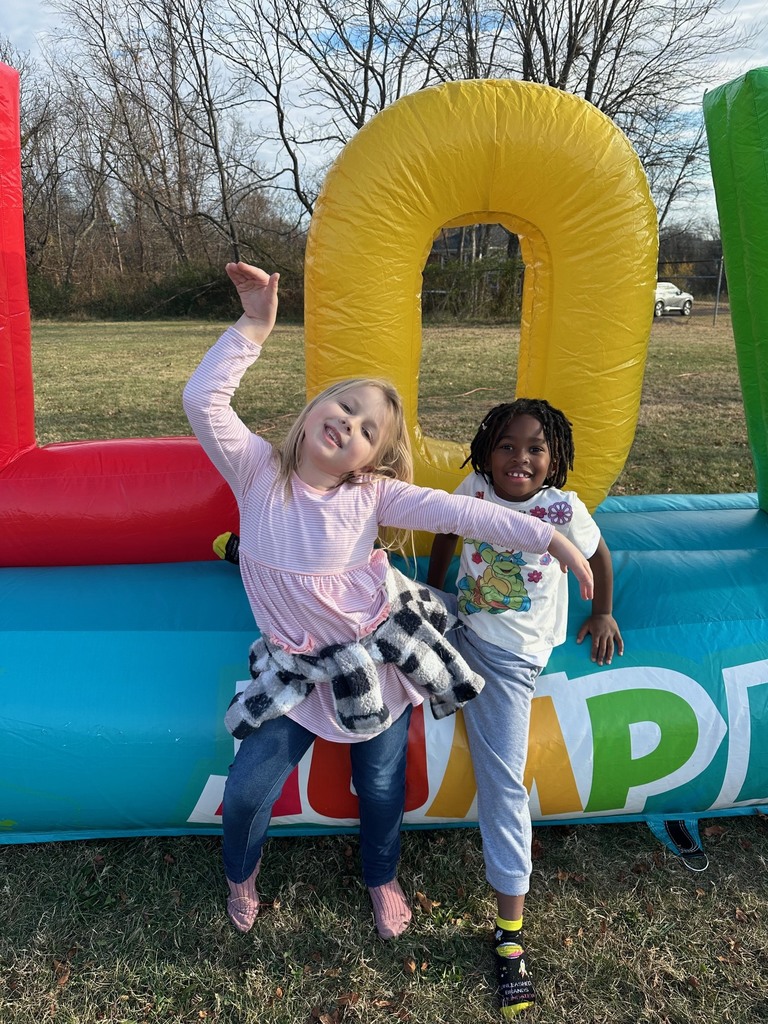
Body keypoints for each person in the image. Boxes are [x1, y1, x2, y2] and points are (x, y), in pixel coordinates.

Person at [183, 263, 594, 941]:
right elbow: (204, 401)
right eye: (343, 408)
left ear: (371, 461)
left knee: (380, 789)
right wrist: (252, 327)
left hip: (371, 668)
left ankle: (382, 876)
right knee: (251, 787)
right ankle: (240, 877)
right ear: (314, 410)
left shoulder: (368, 497)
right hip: (293, 669)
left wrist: (549, 538)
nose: (348, 425)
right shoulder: (256, 470)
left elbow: (467, 516)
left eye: (368, 429)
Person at [427, 399, 622, 1017]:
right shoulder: (476, 488)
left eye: (536, 448)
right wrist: (434, 595)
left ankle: (509, 937)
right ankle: (251, 551)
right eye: (508, 446)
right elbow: (447, 531)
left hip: (507, 662)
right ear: (487, 452)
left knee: (503, 784)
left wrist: (602, 611)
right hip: (458, 622)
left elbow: (597, 556)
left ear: (555, 457)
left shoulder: (562, 509)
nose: (521, 458)